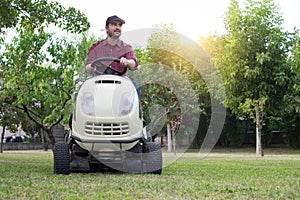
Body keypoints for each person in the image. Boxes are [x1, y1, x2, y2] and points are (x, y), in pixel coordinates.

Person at [85, 15, 140, 97]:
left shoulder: (126, 47)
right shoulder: (96, 46)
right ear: (107, 28)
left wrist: (127, 61)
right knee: (85, 89)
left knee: (135, 86)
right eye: (114, 24)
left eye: (120, 25)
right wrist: (92, 66)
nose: (118, 27)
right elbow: (87, 67)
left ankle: (132, 110)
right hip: (99, 81)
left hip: (121, 82)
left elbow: (133, 64)